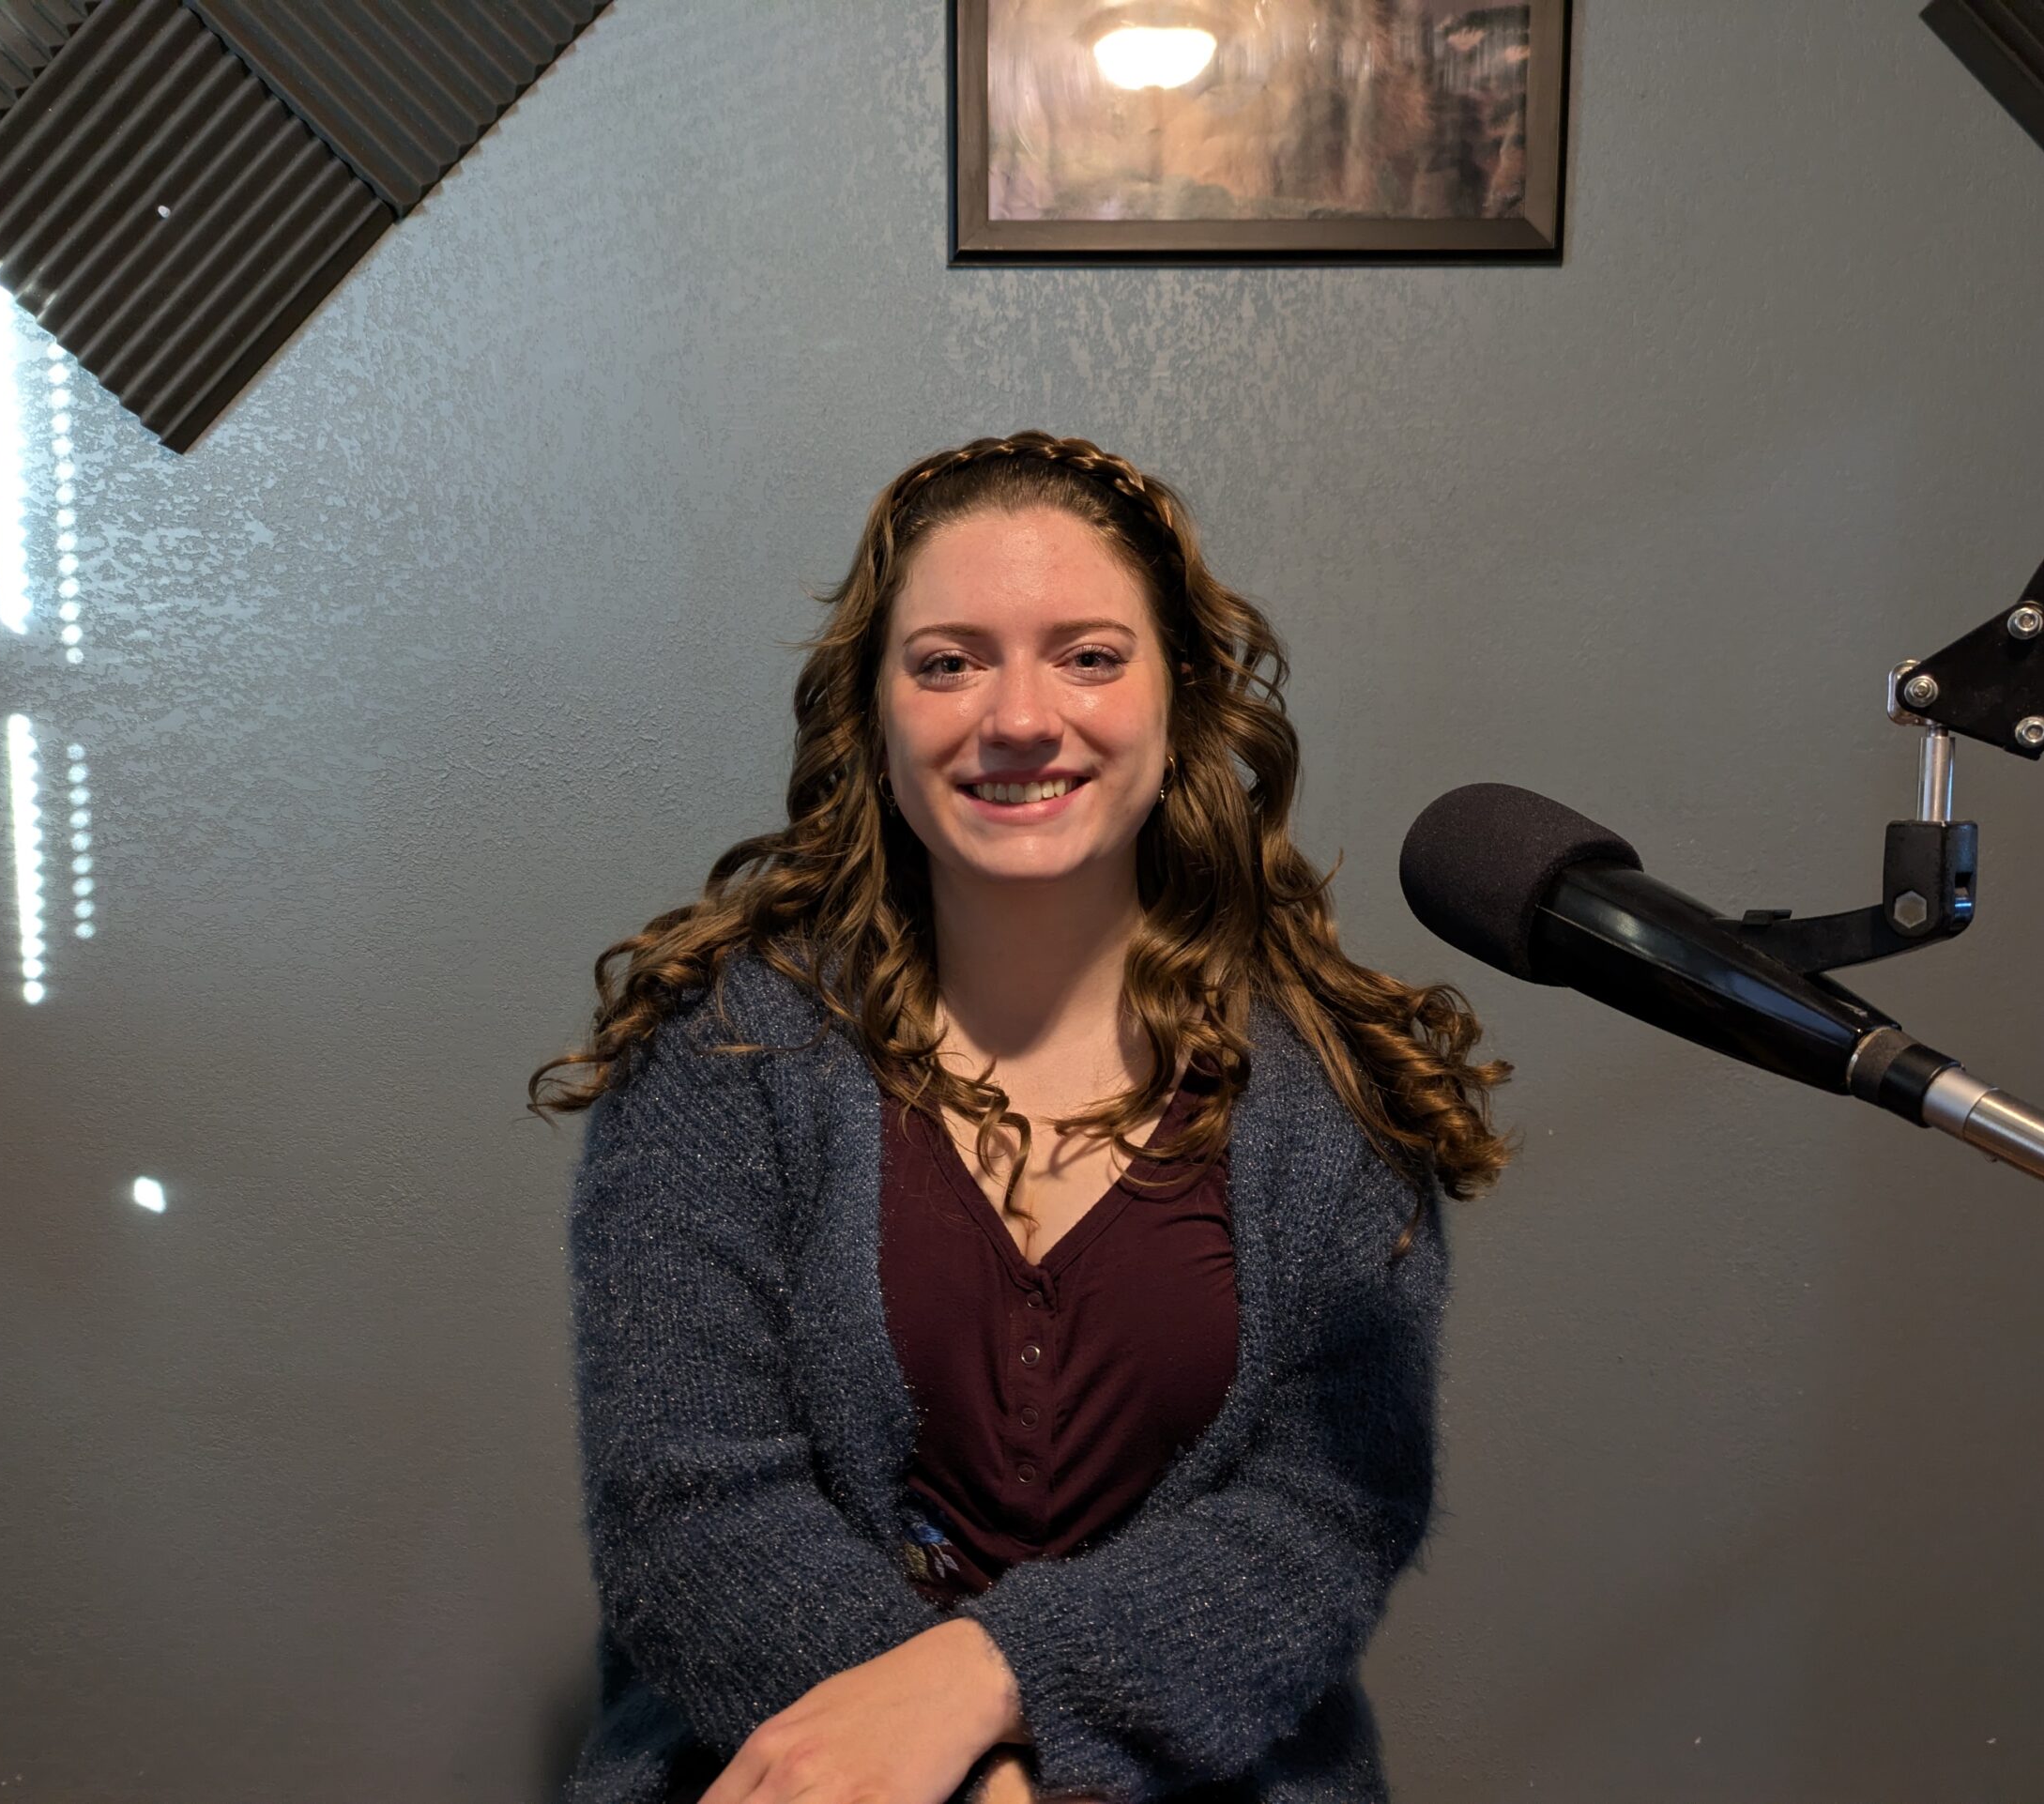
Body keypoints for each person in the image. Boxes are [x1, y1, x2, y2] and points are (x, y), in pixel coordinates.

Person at [529, 430, 1516, 1803]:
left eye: (1089, 655)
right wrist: (982, 1793)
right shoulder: (725, 1053)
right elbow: (691, 1513)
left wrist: (991, 1683)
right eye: (949, 663)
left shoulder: (1333, 1088)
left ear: (1183, 697)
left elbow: (1325, 1514)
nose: (1021, 717)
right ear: (871, 716)